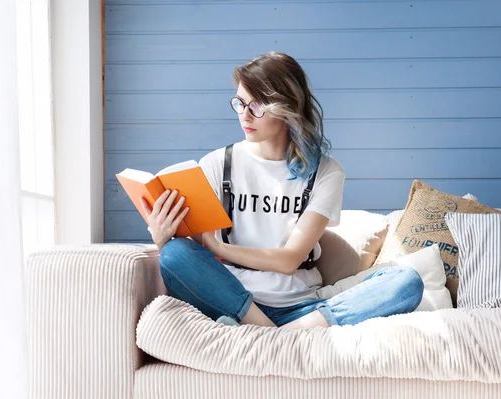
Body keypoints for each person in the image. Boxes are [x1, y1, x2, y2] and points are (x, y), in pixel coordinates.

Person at [139, 51, 423, 329]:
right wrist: (161, 237)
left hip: (301, 309)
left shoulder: (325, 172)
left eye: (257, 106)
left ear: (288, 107)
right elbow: (190, 259)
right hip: (232, 301)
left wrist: (218, 247)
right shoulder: (217, 164)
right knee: (175, 253)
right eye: (240, 103)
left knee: (406, 282)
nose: (245, 116)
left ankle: (276, 334)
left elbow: (289, 260)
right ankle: (279, 333)